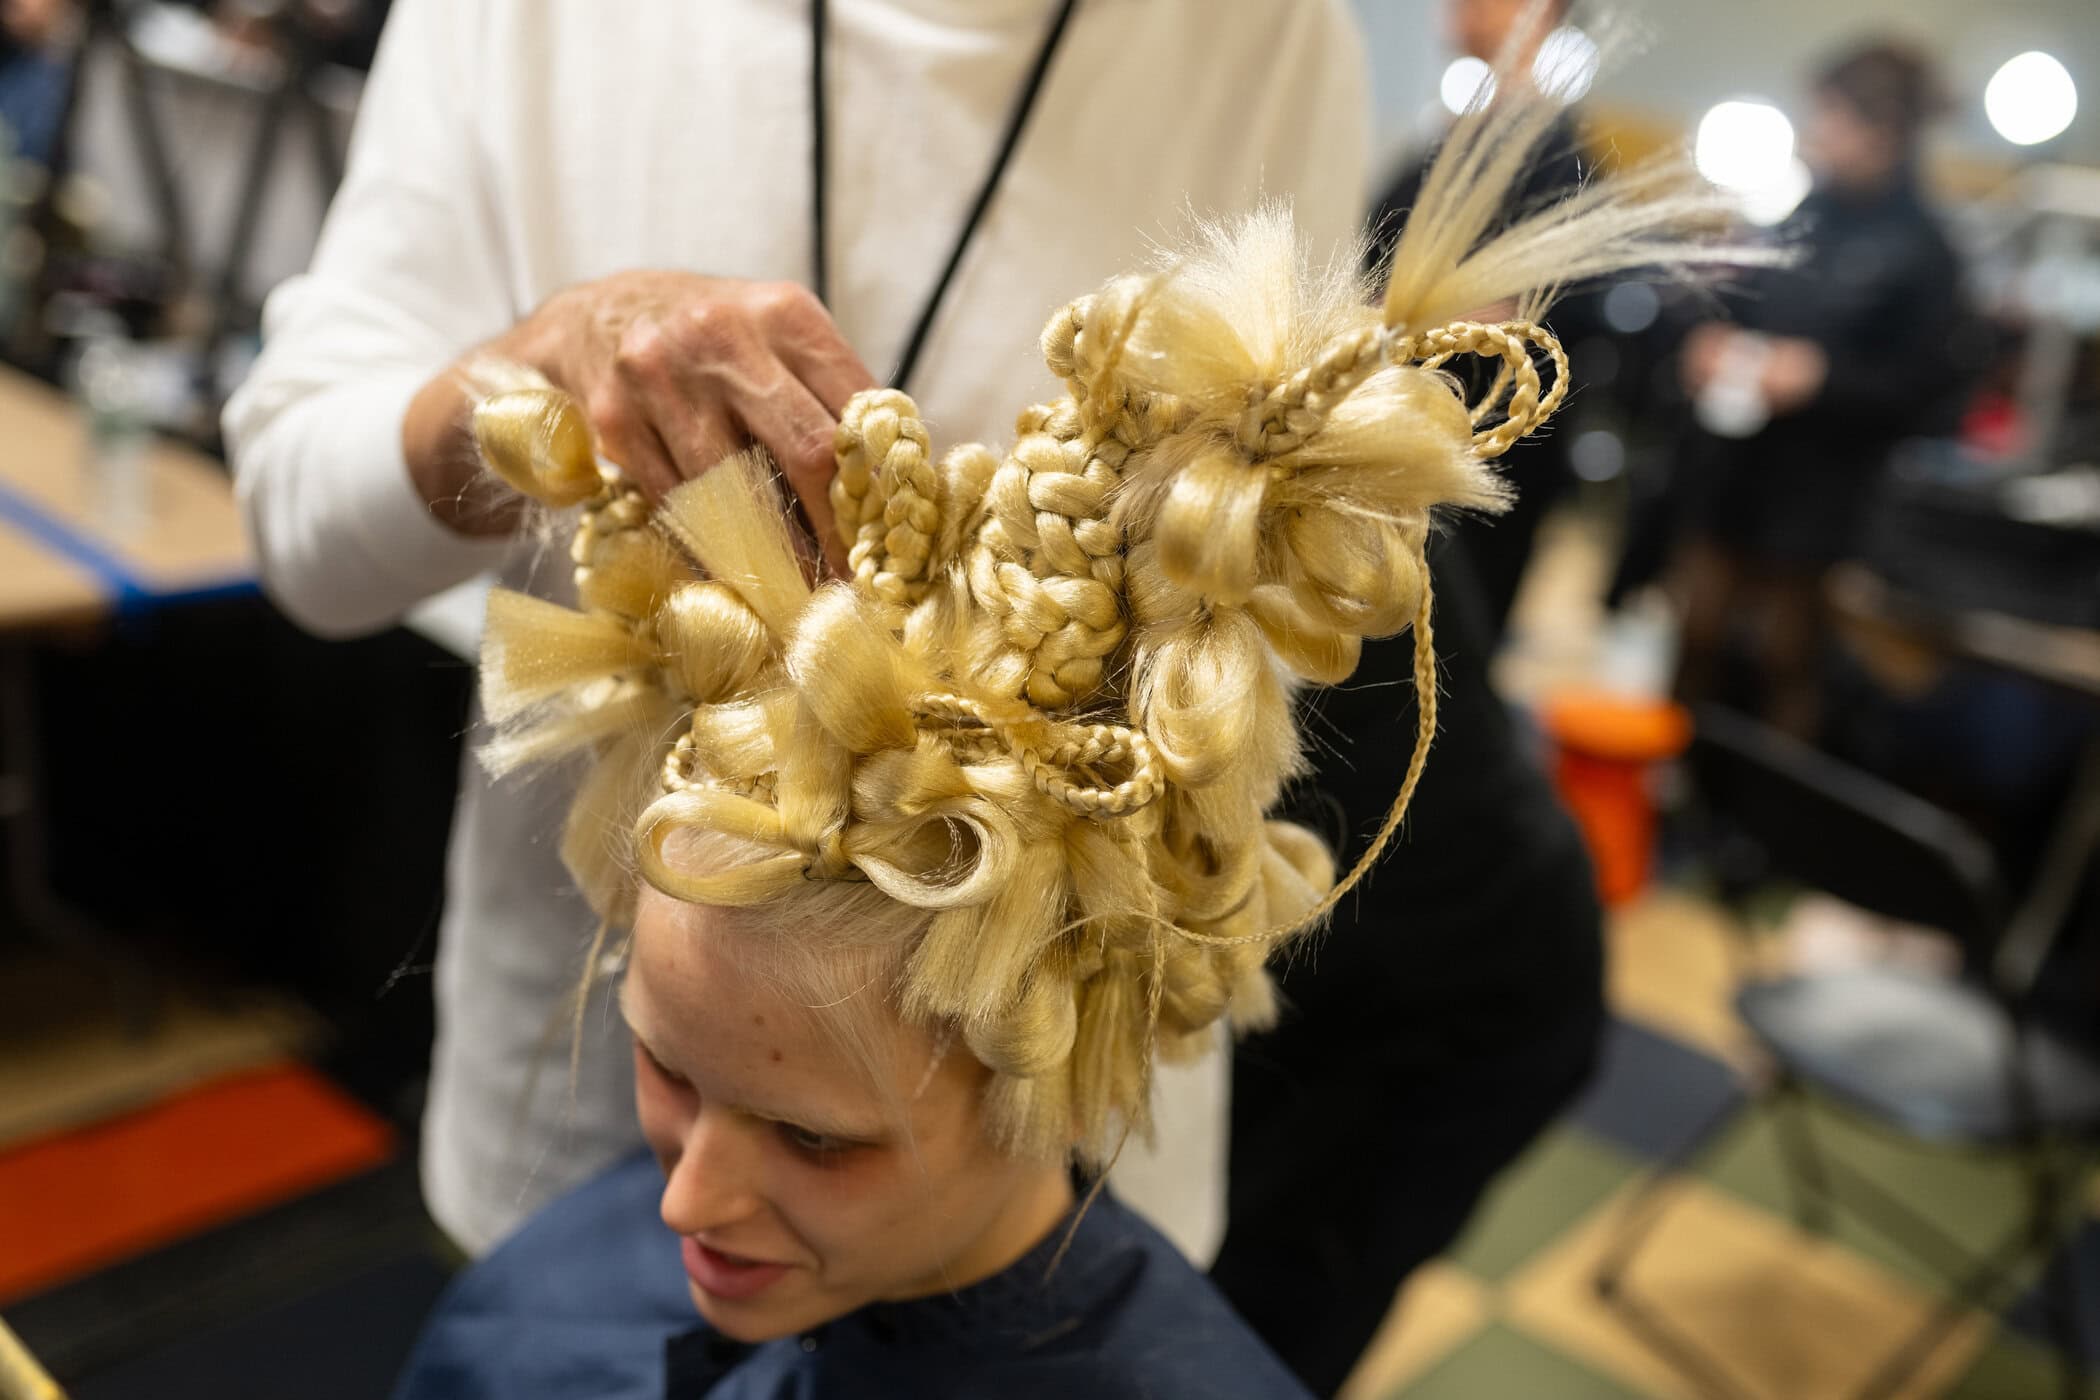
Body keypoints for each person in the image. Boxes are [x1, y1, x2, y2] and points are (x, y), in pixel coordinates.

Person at [391, 92, 1720, 1390]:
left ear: (1063, 1087)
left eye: (811, 1139)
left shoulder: (1265, 57)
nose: (687, 1197)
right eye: (665, 1062)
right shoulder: (538, 1304)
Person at [223, 0, 1369, 1264]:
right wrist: (545, 365)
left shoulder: (1272, 39)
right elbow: (300, 515)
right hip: (599, 1106)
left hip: (1042, 1154)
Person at [1670, 39, 1974, 740]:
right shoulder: (1799, 218)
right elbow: (1737, 305)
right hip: (1737, 480)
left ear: (1884, 132)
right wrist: (1708, 341)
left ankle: (1763, 828)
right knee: (1698, 639)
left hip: (1822, 509)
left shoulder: (1927, 254)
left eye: (1832, 117)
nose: (1817, 132)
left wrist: (1824, 379)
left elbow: (1929, 393)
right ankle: (1670, 800)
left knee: (1787, 665)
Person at [1364, 0, 1598, 638]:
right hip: (1400, 424)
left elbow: (1570, 304)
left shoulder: (1558, 157)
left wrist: (1459, 312)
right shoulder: (1452, 136)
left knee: (1444, 638)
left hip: (1482, 443)